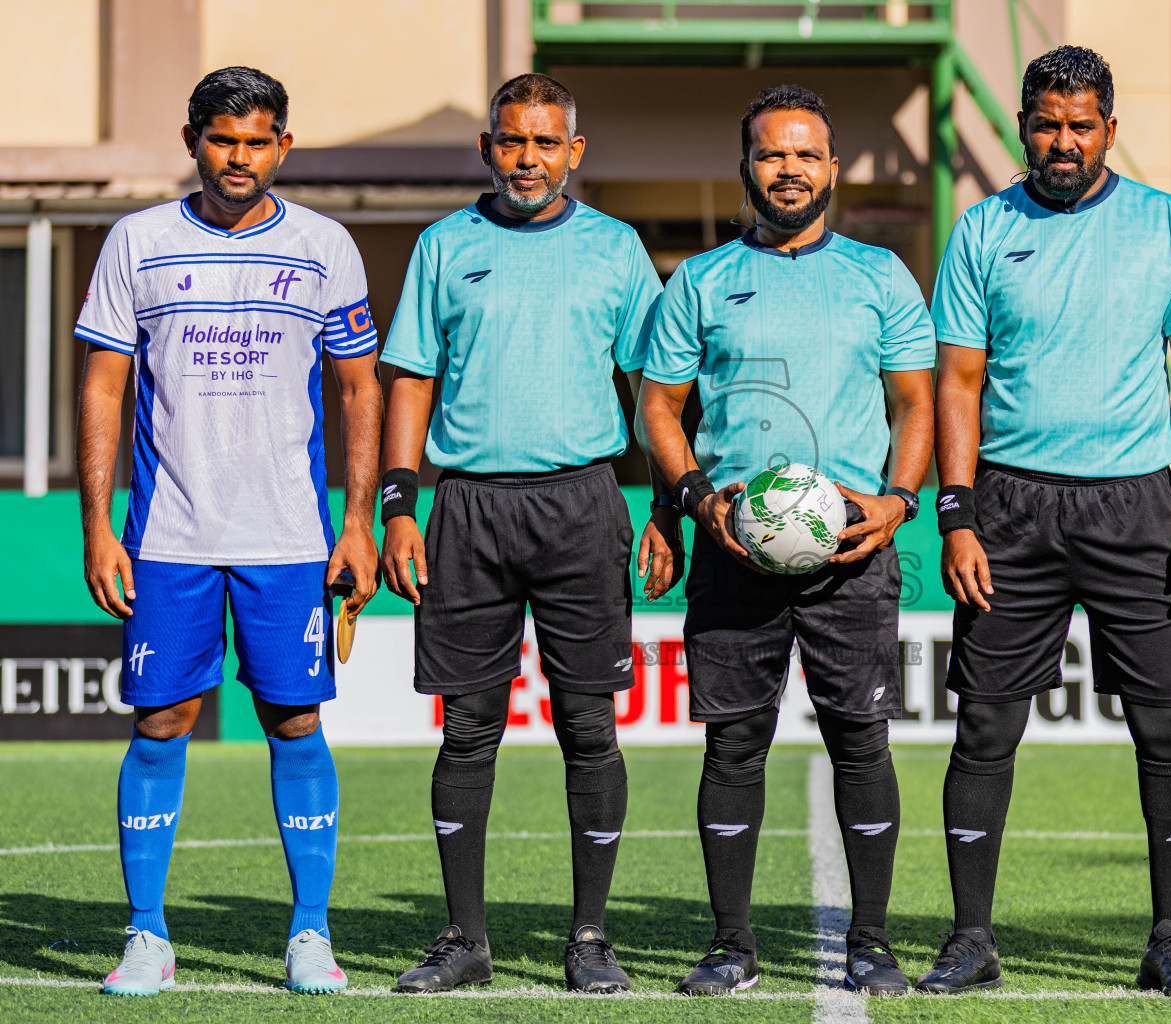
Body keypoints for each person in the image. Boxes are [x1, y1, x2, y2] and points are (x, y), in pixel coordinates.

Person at [919, 46, 1171, 998]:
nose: (1064, 141)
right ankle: (971, 938)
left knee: (1167, 729)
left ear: (1109, 126)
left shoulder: (1164, 223)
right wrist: (958, 514)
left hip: (1137, 505)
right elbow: (958, 384)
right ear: (1023, 126)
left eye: (1081, 124)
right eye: (1047, 124)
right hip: (1009, 508)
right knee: (982, 729)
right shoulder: (981, 228)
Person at [75, 66, 381, 996]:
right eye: (222, 140)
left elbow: (361, 387)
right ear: (191, 140)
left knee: (295, 719)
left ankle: (310, 934)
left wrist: (358, 521)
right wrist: (98, 525)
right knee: (161, 719)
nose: (238, 158)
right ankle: (147, 935)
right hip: (168, 535)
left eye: (257, 141)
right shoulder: (139, 240)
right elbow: (101, 385)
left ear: (283, 146)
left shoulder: (326, 245)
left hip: (289, 537)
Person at [378, 73, 680, 995]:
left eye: (546, 144)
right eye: (512, 142)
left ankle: (589, 937)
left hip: (584, 504)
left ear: (574, 153)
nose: (529, 160)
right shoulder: (443, 247)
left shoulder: (617, 249)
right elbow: (411, 379)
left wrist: (666, 508)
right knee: (468, 727)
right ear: (487, 148)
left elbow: (658, 389)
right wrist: (398, 502)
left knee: (589, 725)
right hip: (467, 506)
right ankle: (465, 938)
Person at [639, 84, 935, 995]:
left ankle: (872, 940)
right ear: (747, 169)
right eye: (772, 154)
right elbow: (659, 406)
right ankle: (731, 944)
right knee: (733, 746)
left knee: (863, 741)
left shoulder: (881, 274)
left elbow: (918, 401)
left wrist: (896, 500)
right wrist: (691, 500)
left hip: (850, 550)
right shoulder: (698, 279)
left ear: (833, 170)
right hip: (735, 552)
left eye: (807, 155)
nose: (790, 170)